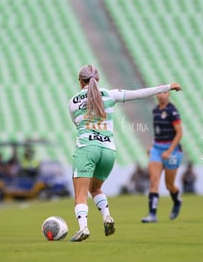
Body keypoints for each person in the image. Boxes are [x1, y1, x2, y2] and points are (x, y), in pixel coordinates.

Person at [68, 64, 182, 242]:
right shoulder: (110, 95)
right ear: (98, 80)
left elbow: (78, 125)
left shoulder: (73, 103)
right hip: (108, 151)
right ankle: (107, 217)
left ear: (80, 81)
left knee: (81, 195)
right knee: (96, 188)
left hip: (87, 149)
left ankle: (83, 228)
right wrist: (167, 87)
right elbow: (139, 93)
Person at [141, 89, 183, 223]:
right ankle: (152, 215)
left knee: (169, 185)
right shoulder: (155, 110)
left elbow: (179, 133)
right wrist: (152, 145)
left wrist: (169, 151)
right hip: (157, 149)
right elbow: (158, 132)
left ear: (168, 94)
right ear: (157, 94)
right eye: (160, 92)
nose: (162, 95)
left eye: (165, 92)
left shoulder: (172, 111)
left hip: (172, 150)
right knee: (154, 181)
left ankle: (177, 200)